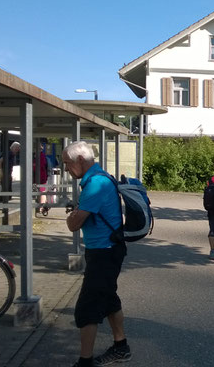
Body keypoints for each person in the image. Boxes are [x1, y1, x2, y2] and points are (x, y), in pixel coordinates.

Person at [63, 141, 131, 367]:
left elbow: (74, 224)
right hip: (107, 249)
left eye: (67, 163)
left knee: (87, 308)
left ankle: (85, 362)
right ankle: (121, 347)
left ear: (80, 160)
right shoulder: (100, 178)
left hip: (104, 252)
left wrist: (71, 216)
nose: (65, 168)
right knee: (109, 299)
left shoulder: (95, 184)